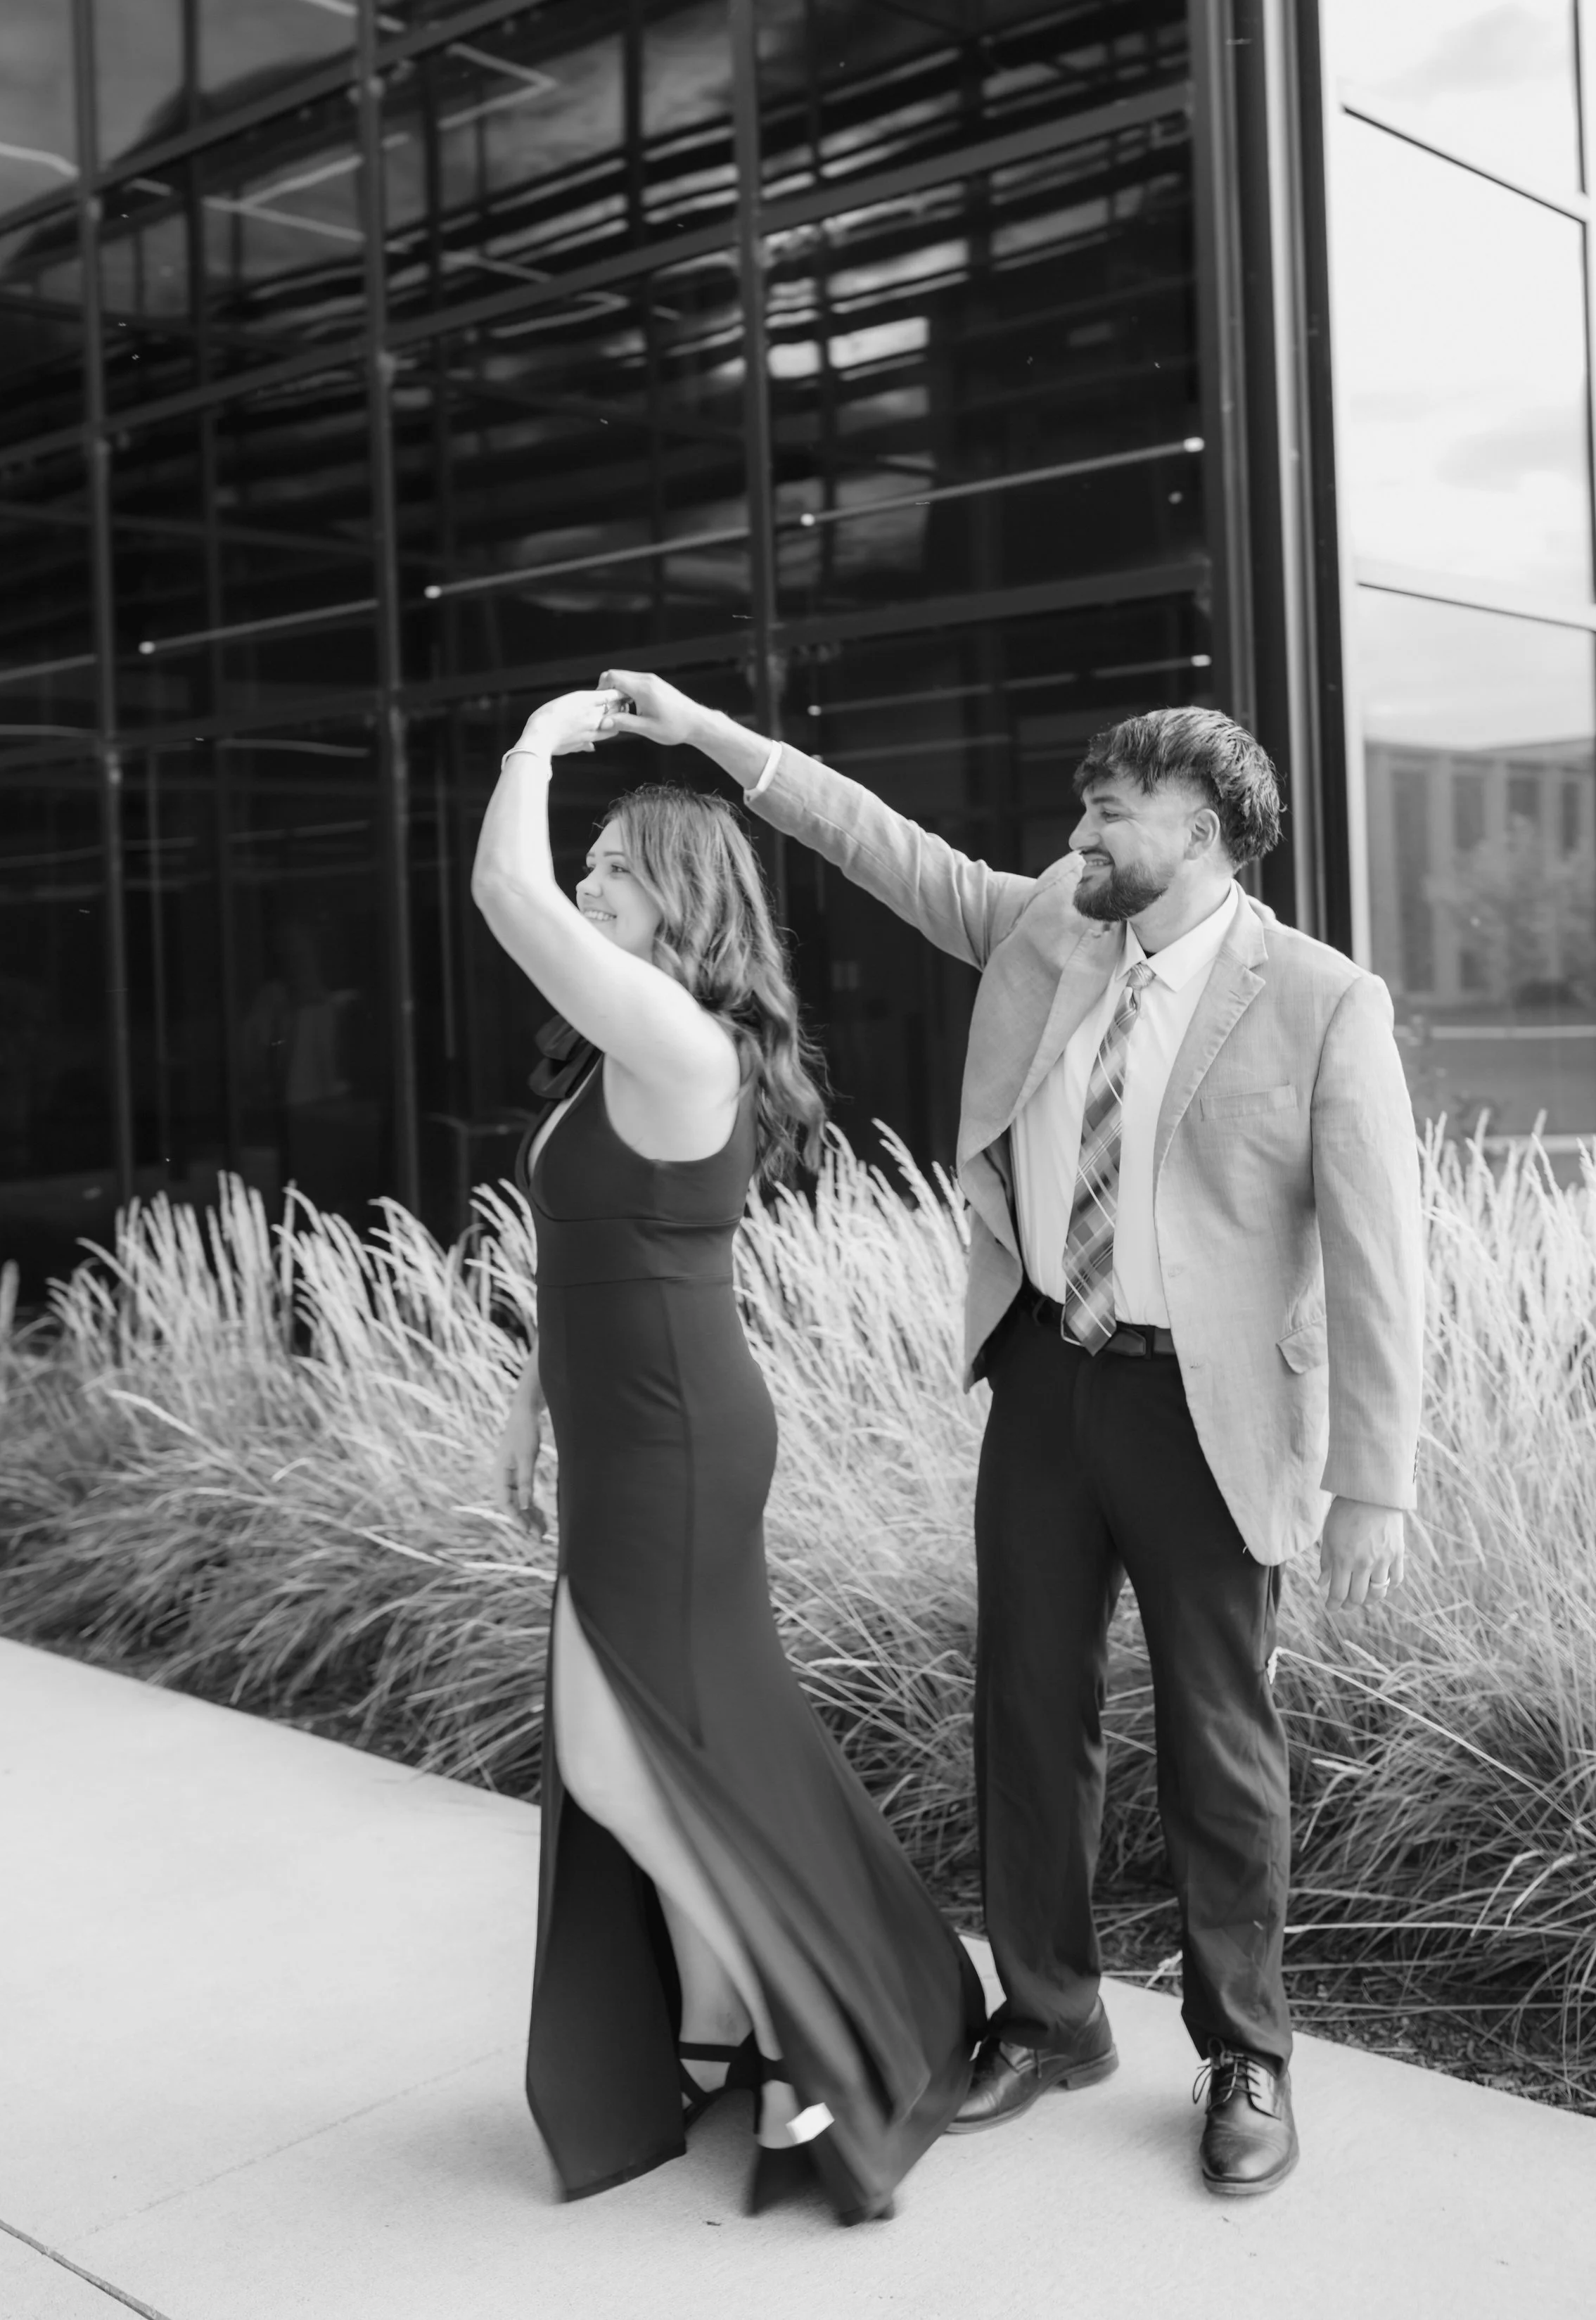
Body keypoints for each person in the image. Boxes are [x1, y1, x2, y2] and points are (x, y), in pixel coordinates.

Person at [597, 672, 1425, 2201]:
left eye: (1112, 813)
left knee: (1218, 1743)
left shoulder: (1321, 999)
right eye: (1082, 810)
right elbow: (875, 839)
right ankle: (1048, 2017)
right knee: (1028, 1713)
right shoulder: (1048, 923)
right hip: (1046, 1377)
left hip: (1210, 1411)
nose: (1080, 834)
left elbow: (1381, 1253)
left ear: (1205, 830)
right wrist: (706, 735)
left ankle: (1244, 2053)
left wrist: (1373, 1477)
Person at [473, 685, 983, 2226]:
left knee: (623, 1752)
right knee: (683, 1738)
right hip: (632, 1425)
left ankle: (794, 2018)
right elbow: (591, 1251)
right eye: (588, 862)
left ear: (681, 902)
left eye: (615, 868)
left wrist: (536, 741)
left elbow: (503, 889)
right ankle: (724, 2017)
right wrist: (527, 1405)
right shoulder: (621, 1049)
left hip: (674, 1439)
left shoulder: (677, 1041)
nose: (584, 882)